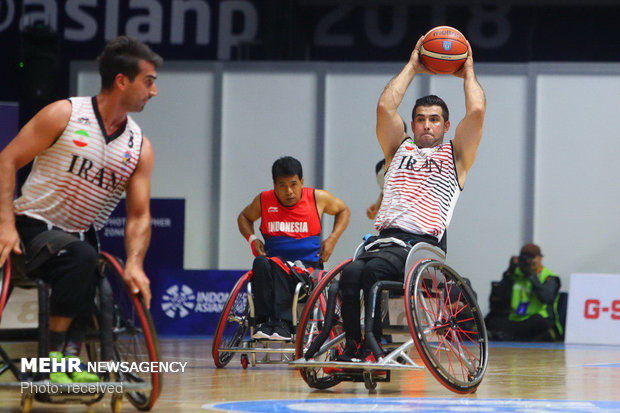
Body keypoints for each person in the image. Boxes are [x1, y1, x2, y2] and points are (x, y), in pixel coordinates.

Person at [0, 36, 161, 382]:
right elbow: (7, 160)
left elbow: (139, 215)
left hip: (79, 237)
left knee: (90, 262)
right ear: (121, 80)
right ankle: (54, 359)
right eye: (148, 82)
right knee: (82, 258)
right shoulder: (65, 114)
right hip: (32, 225)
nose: (153, 91)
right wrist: (5, 224)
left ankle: (69, 360)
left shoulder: (139, 146)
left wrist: (135, 262)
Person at [338, 35, 486, 362]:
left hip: (421, 245)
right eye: (420, 119)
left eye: (434, 119)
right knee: (348, 275)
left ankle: (374, 346)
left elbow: (475, 111)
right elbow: (384, 107)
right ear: (414, 124)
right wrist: (412, 66)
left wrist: (469, 70)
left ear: (446, 125)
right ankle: (354, 347)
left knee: (372, 271)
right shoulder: (398, 148)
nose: (426, 125)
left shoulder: (456, 155)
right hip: (382, 240)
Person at [238, 156, 350, 340]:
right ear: (274, 185)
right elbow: (243, 217)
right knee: (260, 262)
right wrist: (252, 239)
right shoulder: (264, 200)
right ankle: (263, 323)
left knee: (275, 265)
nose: (289, 191)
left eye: (293, 184)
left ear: (302, 182)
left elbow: (343, 210)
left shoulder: (316, 198)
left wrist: (332, 239)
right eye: (282, 185)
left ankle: (282, 324)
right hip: (273, 267)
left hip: (306, 270)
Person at [485, 244, 563, 342]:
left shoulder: (549, 277)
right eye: (525, 258)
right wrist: (509, 273)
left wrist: (532, 277)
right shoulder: (515, 274)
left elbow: (547, 298)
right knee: (492, 320)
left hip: (536, 318)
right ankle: (511, 336)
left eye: (532, 258)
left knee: (540, 322)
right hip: (516, 318)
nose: (528, 262)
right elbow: (498, 301)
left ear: (540, 258)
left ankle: (507, 336)